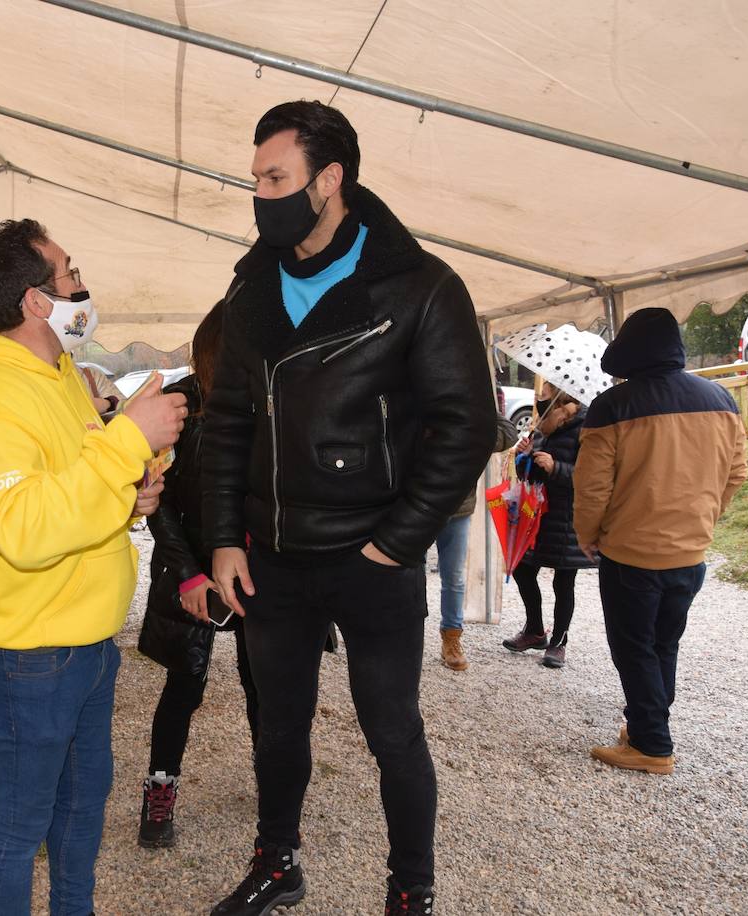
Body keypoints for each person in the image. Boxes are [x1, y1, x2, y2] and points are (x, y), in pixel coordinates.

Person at [202, 101, 495, 916]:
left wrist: (397, 544)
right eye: (256, 178)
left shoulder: (418, 284)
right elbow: (225, 423)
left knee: (392, 730)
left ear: (329, 181)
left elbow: (468, 425)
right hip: (273, 560)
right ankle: (277, 862)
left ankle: (411, 887)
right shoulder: (252, 285)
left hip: (372, 558)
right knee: (277, 727)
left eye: (275, 177)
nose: (259, 193)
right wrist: (225, 538)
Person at [0, 218, 187, 915]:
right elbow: (22, 530)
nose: (83, 284)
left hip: (82, 641)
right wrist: (125, 443)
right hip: (26, 652)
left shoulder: (57, 378)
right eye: (69, 272)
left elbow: (66, 488)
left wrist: (127, 495)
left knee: (81, 815)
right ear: (36, 302)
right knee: (21, 826)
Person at [574, 307, 748, 775]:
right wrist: (704, 517)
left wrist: (587, 535)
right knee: (664, 644)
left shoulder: (614, 406)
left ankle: (652, 744)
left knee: (633, 648)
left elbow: (592, 487)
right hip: (691, 552)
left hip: (630, 552)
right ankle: (645, 725)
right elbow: (736, 474)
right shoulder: (721, 399)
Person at [136, 301, 259, 849]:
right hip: (193, 571)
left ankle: (275, 789)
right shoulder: (178, 406)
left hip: (260, 573)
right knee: (184, 686)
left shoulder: (276, 397)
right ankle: (160, 792)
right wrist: (187, 575)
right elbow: (155, 502)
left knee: (269, 689)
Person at [501, 383, 594, 668]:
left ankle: (559, 643)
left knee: (563, 581)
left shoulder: (585, 430)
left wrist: (557, 468)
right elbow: (526, 474)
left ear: (561, 405)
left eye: (546, 395)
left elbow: (591, 476)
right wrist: (524, 456)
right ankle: (535, 630)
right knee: (522, 569)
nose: (540, 399)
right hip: (537, 514)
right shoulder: (543, 428)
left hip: (567, 517)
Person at [434, 410, 519, 670]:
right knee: (406, 573)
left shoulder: (469, 396)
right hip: (417, 504)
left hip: (459, 506)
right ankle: (401, 636)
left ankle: (451, 637)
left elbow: (507, 434)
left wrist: (483, 410)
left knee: (454, 576)